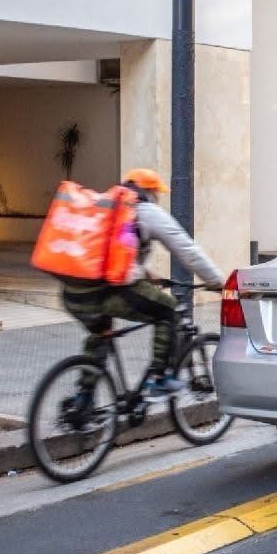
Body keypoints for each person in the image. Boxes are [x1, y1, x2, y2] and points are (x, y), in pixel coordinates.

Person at [61, 168, 226, 397]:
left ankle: (82, 400)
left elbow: (111, 251)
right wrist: (217, 282)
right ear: (149, 191)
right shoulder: (146, 211)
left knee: (101, 334)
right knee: (168, 310)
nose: (157, 197)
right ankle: (159, 377)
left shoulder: (107, 206)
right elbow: (187, 250)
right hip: (106, 293)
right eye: (156, 192)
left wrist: (145, 272)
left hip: (73, 293)